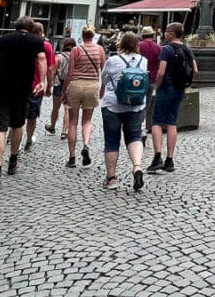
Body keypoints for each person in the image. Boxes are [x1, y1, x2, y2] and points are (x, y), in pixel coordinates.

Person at [0, 17, 46, 186]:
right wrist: (41, 81)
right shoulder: (36, 41)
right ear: (31, 27)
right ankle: (13, 160)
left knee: (0, 129)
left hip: (2, 88)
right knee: (18, 125)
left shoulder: (5, 39)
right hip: (23, 89)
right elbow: (41, 60)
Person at [99, 32, 147, 191]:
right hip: (136, 105)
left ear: (122, 43)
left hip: (113, 105)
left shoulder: (113, 61)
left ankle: (111, 179)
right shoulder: (143, 61)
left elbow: (104, 80)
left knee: (112, 140)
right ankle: (137, 167)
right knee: (134, 135)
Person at [147, 22, 197, 174]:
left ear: (172, 33)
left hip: (166, 88)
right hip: (179, 89)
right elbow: (195, 69)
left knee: (156, 121)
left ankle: (157, 157)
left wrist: (158, 84)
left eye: (167, 31)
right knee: (172, 121)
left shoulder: (166, 49)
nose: (164, 33)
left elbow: (161, 71)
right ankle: (170, 159)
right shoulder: (187, 48)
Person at [63, 26, 106, 169]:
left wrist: (64, 91)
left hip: (76, 85)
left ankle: (72, 157)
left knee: (73, 122)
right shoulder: (100, 50)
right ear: (93, 36)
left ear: (82, 35)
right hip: (92, 85)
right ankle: (86, 145)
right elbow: (104, 71)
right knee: (87, 121)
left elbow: (70, 73)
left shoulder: (76, 50)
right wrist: (102, 88)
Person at [24, 22, 55, 152]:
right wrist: (49, 86)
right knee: (32, 115)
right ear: (41, 32)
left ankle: (10, 134)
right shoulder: (46, 46)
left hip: (20, 84)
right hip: (37, 86)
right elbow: (50, 68)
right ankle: (29, 138)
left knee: (17, 111)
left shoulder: (23, 43)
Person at [46, 39, 75, 138]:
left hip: (59, 83)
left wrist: (49, 85)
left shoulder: (58, 57)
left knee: (55, 108)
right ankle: (64, 131)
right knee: (67, 108)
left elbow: (53, 71)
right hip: (71, 84)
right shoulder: (76, 57)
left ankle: (52, 126)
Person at [138, 26, 161, 146]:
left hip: (137, 80)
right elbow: (159, 65)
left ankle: (137, 128)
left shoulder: (139, 46)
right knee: (146, 105)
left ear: (143, 35)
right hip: (151, 79)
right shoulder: (158, 47)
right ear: (152, 35)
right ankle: (143, 128)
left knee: (136, 103)